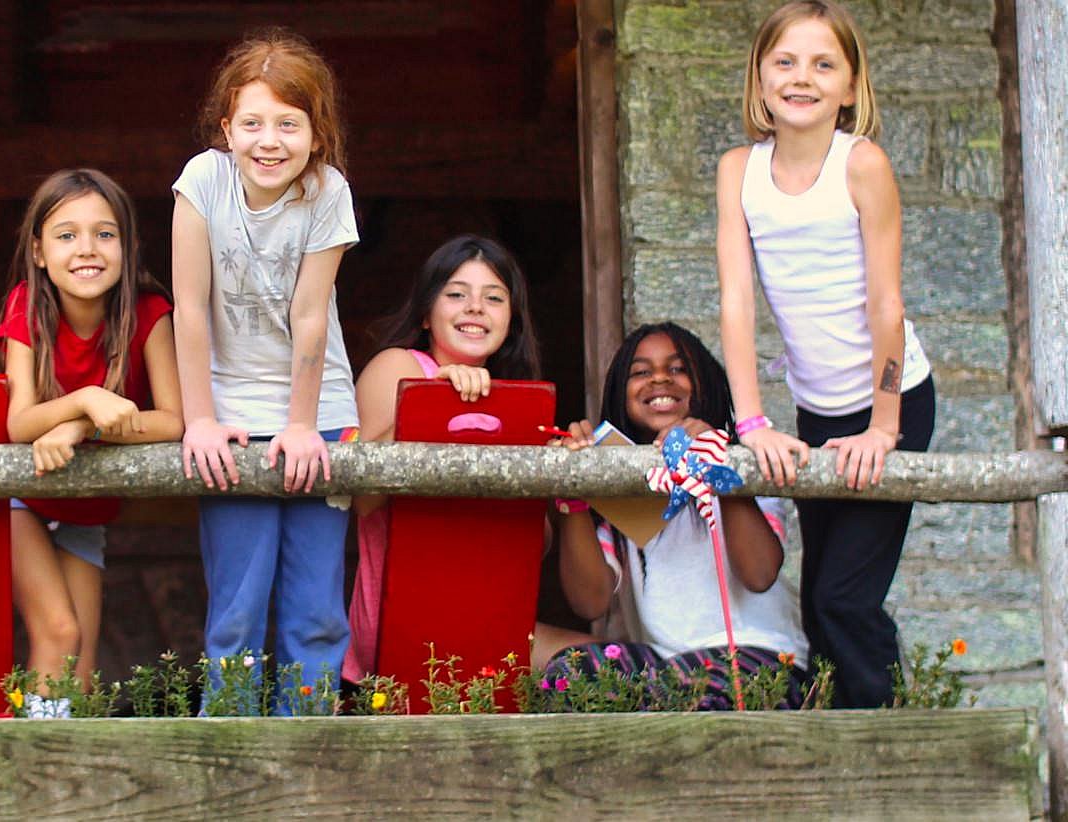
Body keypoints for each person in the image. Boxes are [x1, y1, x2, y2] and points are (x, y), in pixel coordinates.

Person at [715, 0, 934, 707]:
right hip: (816, 409)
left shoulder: (861, 163)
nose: (801, 77)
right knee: (822, 602)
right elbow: (738, 303)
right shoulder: (738, 171)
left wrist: (885, 425)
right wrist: (751, 422)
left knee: (844, 595)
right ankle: (864, 724)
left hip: (893, 401)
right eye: (785, 61)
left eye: (822, 64)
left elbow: (886, 304)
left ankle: (882, 742)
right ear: (760, 77)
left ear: (849, 84)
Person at [172, 29, 359, 708]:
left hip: (321, 413)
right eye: (251, 123)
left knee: (315, 612)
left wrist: (304, 425)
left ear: (316, 133)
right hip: (228, 417)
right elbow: (189, 308)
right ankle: (234, 760)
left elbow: (311, 315)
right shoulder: (202, 180)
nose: (269, 141)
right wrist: (199, 420)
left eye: (288, 124)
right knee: (237, 613)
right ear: (226, 129)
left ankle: (306, 759)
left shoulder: (327, 192)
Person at [0, 169, 182, 718]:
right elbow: (20, 422)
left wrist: (82, 425)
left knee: (84, 664)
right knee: (59, 629)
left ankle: (74, 783)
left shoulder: (149, 312)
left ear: (128, 245)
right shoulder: (26, 305)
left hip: (85, 505)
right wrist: (87, 398)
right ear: (39, 251)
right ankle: (38, 770)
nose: (87, 249)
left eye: (104, 233)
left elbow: (173, 420)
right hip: (23, 494)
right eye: (66, 235)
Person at [548, 323, 809, 710]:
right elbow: (591, 603)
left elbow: (758, 574)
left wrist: (715, 461)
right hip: (665, 667)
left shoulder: (744, 463)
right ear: (621, 395)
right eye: (640, 372)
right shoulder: (620, 484)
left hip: (763, 659)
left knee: (692, 689)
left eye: (677, 369)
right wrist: (573, 490)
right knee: (572, 674)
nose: (658, 379)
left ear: (706, 384)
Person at [342, 234, 542, 683]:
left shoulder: (517, 401)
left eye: (494, 298)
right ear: (427, 315)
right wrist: (439, 403)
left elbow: (537, 542)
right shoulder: (401, 367)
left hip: (489, 618)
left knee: (595, 661)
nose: (475, 308)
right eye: (456, 294)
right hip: (404, 619)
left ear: (511, 320)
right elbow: (365, 500)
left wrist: (562, 471)